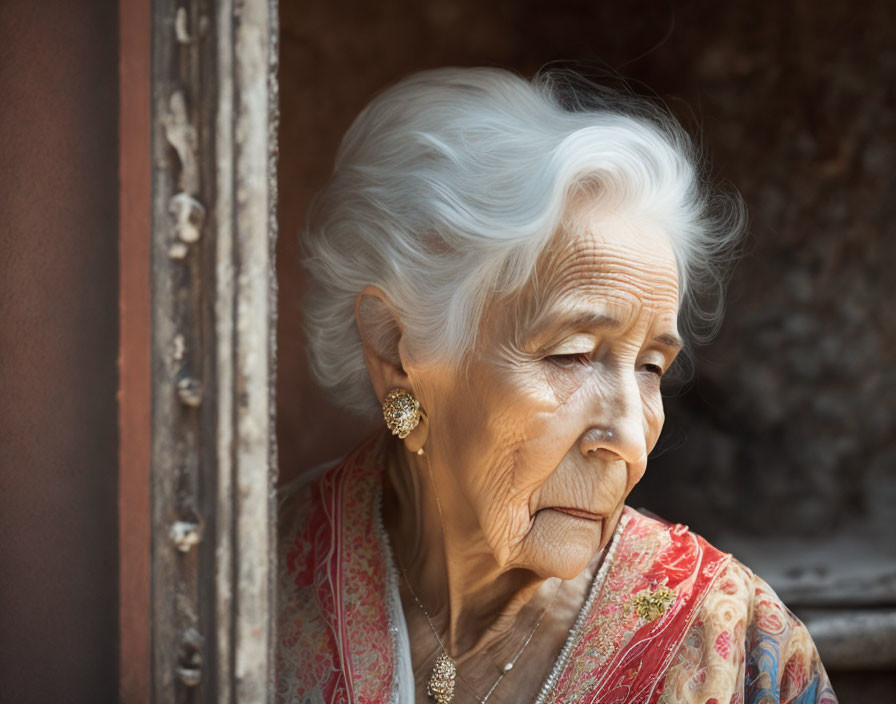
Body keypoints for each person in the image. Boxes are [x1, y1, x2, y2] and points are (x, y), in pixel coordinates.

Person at [277, 67, 837, 703]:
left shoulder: (737, 650)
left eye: (651, 366)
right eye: (571, 355)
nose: (630, 439)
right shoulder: (247, 586)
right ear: (396, 351)